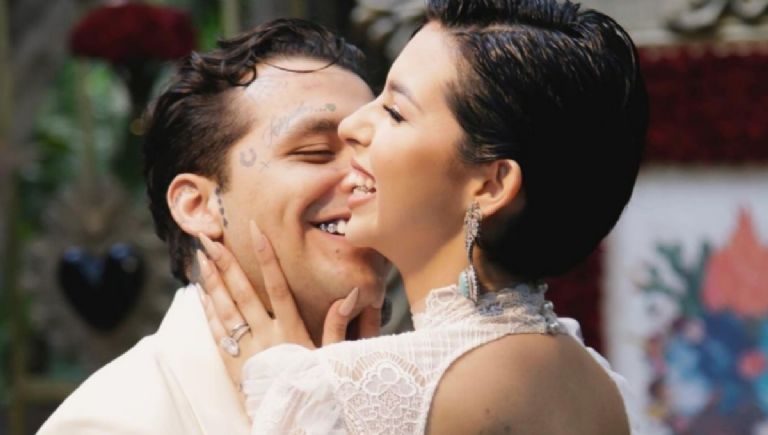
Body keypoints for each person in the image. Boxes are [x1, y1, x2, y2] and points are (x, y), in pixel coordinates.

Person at [198, 0, 650, 433]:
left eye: (395, 112)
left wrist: (293, 389)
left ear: (491, 186)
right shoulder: (603, 386)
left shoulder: (346, 392)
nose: (351, 126)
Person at [38, 19, 390, 435]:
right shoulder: (111, 422)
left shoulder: (418, 389)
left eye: (378, 151)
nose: (368, 177)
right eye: (316, 152)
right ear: (197, 206)